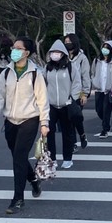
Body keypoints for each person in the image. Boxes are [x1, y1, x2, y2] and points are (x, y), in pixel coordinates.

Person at [0, 36, 50, 215]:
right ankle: (33, 180)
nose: (13, 51)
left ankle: (18, 198)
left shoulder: (35, 73)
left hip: (29, 120)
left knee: (19, 157)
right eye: (13, 48)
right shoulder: (7, 72)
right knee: (18, 156)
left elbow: (42, 99)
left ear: (26, 53)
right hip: (10, 121)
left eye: (18, 48)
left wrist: (44, 123)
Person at [44, 39, 81, 169]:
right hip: (51, 105)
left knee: (67, 132)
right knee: (49, 133)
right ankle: (52, 159)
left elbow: (77, 84)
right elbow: (42, 85)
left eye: (57, 52)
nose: (55, 54)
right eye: (53, 52)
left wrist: (72, 98)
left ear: (63, 53)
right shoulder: (47, 68)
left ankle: (67, 158)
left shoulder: (70, 67)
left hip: (66, 105)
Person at [64, 34, 90, 150]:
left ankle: (82, 135)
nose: (67, 43)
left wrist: (85, 93)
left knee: (76, 117)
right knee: (67, 120)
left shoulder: (82, 58)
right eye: (65, 42)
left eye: (69, 41)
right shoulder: (62, 57)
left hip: (78, 93)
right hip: (65, 93)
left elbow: (85, 76)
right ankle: (73, 143)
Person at [91, 40, 112, 138]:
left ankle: (105, 129)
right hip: (98, 89)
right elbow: (92, 72)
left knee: (106, 110)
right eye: (104, 47)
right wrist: (93, 81)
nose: (105, 50)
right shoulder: (96, 60)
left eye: (107, 48)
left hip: (108, 90)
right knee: (98, 109)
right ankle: (106, 121)